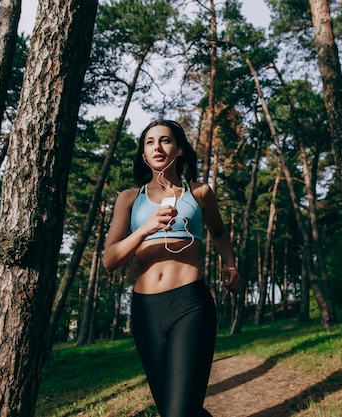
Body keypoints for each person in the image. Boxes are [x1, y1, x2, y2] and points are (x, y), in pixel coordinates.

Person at [103, 119, 240, 417]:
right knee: (172, 409)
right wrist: (145, 229)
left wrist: (230, 264)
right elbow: (109, 260)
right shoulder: (128, 199)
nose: (157, 147)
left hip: (190, 304)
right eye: (150, 142)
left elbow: (218, 232)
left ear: (178, 150)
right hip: (145, 310)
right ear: (144, 155)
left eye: (165, 140)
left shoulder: (199, 193)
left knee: (177, 413)